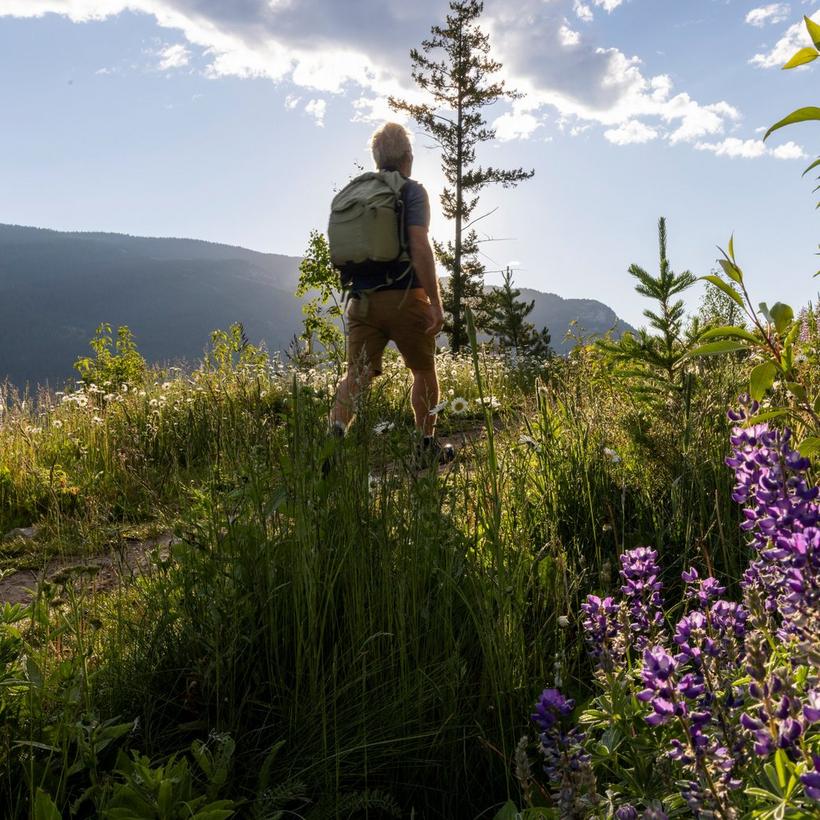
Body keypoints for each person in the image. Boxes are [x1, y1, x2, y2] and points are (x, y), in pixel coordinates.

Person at [329, 122, 454, 464]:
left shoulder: (356, 192)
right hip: (405, 298)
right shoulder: (411, 191)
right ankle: (426, 446)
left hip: (361, 301)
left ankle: (333, 439)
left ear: (377, 158)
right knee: (423, 370)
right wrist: (435, 303)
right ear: (408, 157)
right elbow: (419, 245)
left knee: (356, 375)